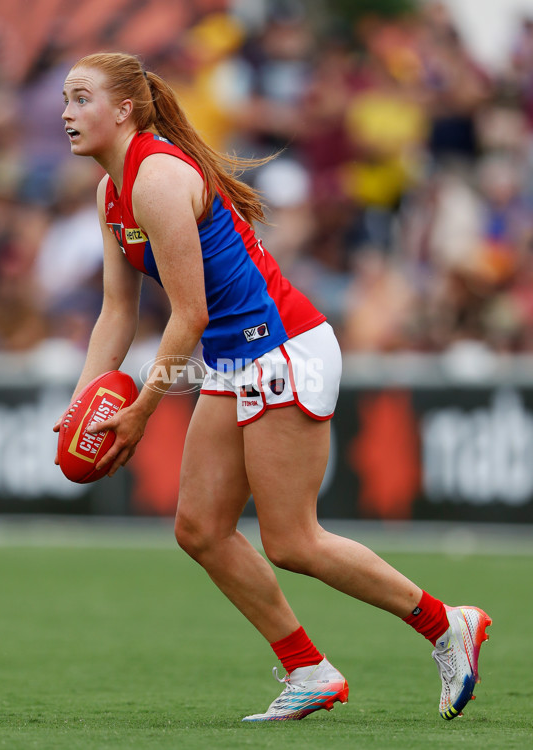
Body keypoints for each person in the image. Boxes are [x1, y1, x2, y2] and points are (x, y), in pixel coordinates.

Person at [56, 51, 491, 722]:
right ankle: (309, 670)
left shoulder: (159, 177)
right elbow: (117, 311)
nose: (65, 113)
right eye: (64, 98)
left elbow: (189, 314)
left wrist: (143, 407)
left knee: (292, 541)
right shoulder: (109, 190)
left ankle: (446, 624)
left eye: (81, 98)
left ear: (123, 110)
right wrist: (82, 401)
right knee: (200, 529)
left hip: (285, 349)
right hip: (237, 361)